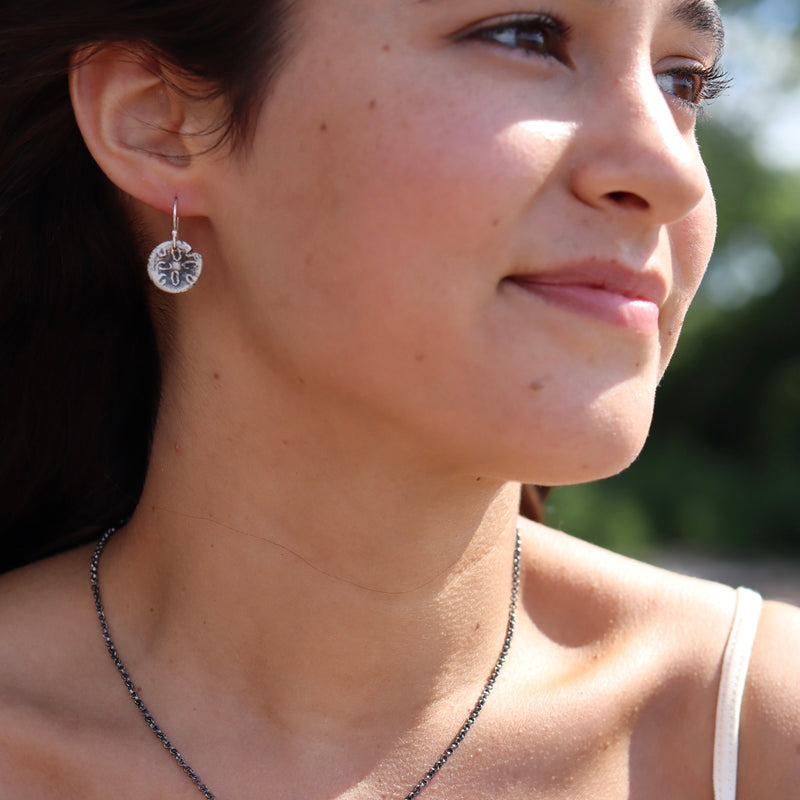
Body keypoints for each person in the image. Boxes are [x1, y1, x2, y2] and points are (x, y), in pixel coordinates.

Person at [0, 0, 798, 797]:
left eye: (683, 81)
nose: (674, 172)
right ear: (159, 121)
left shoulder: (762, 738)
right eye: (527, 37)